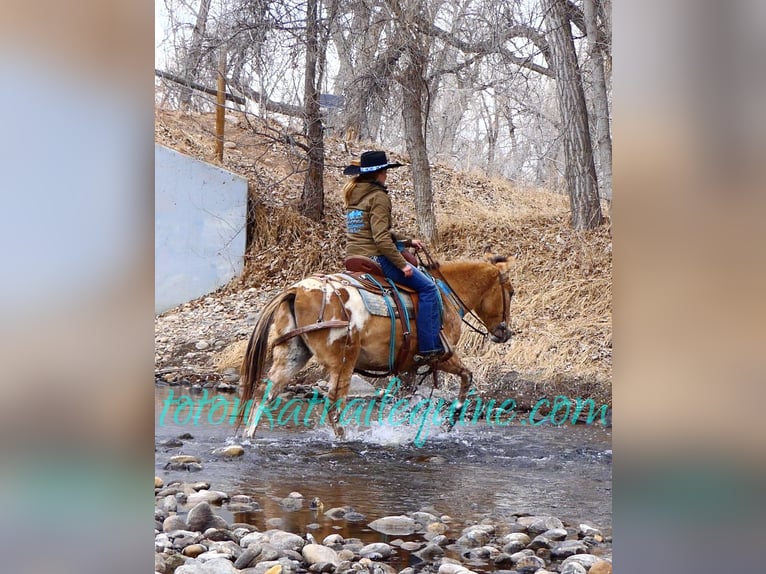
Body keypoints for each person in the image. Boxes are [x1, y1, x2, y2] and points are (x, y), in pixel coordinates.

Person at [342, 150, 446, 364]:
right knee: (428, 288)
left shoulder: (355, 195)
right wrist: (403, 265)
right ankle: (429, 347)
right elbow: (380, 238)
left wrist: (407, 241)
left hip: (354, 256)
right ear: (380, 173)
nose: (386, 175)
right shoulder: (379, 197)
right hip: (376, 257)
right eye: (385, 172)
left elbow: (372, 230)